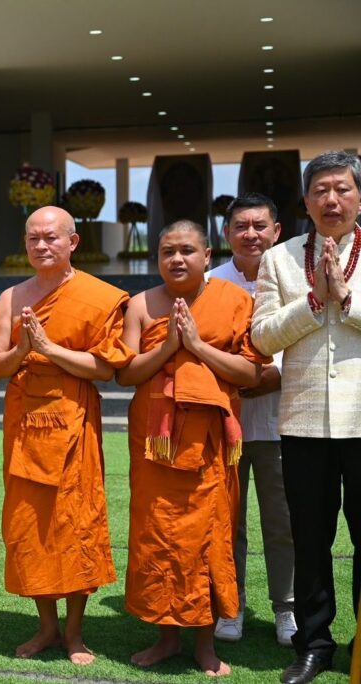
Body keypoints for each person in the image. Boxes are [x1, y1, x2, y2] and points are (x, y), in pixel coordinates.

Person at [117, 220, 267, 677]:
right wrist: (168, 347)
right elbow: (125, 373)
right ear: (157, 258)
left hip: (209, 444)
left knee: (208, 537)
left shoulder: (236, 301)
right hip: (155, 442)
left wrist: (197, 345)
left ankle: (205, 642)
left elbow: (250, 373)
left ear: (207, 256)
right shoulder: (140, 305)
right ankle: (165, 637)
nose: (177, 259)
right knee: (157, 534)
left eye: (186, 250)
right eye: (167, 251)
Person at [0, 206, 134, 665]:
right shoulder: (11, 297)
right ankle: (46, 627)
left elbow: (105, 368)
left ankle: (74, 633)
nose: (41, 245)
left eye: (51, 237)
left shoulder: (98, 296)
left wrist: (49, 348)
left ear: (73, 242)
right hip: (25, 421)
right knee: (29, 526)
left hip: (72, 419)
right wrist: (23, 349)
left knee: (75, 523)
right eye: (33, 238)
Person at [251, 150, 361, 684]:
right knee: (310, 540)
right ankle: (314, 643)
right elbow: (262, 337)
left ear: (359, 196)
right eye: (321, 190)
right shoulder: (279, 259)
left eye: (342, 188)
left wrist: (346, 298)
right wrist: (315, 300)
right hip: (303, 422)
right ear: (306, 200)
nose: (331, 199)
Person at [206, 193, 296, 647]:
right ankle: (230, 605)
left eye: (260, 226)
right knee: (227, 520)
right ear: (226, 233)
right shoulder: (208, 284)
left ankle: (287, 607)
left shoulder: (297, 279)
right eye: (241, 226)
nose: (251, 234)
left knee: (284, 522)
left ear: (276, 231)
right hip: (225, 423)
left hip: (283, 420)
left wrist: (268, 377)